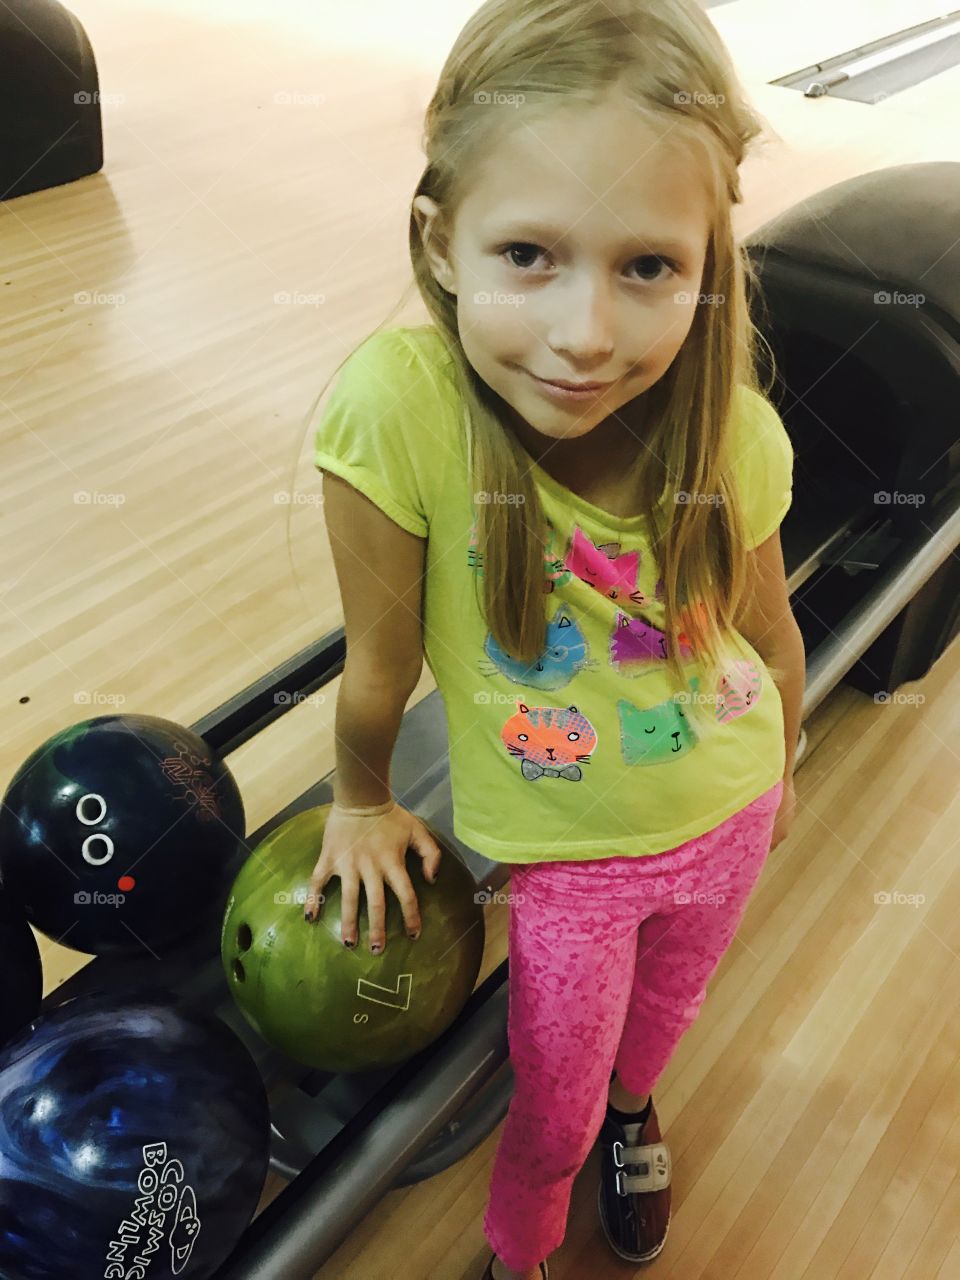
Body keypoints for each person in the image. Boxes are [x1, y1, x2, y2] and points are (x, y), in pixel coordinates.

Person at [301, 2, 805, 1277]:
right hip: (572, 867)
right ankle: (519, 1249)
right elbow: (380, 662)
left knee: (659, 1032)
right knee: (551, 1107)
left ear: (710, 260)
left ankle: (643, 1112)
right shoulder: (397, 408)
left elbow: (769, 630)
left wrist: (784, 763)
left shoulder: (731, 431)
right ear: (442, 237)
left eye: (647, 266)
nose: (588, 333)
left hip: (731, 809)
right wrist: (359, 797)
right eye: (529, 252)